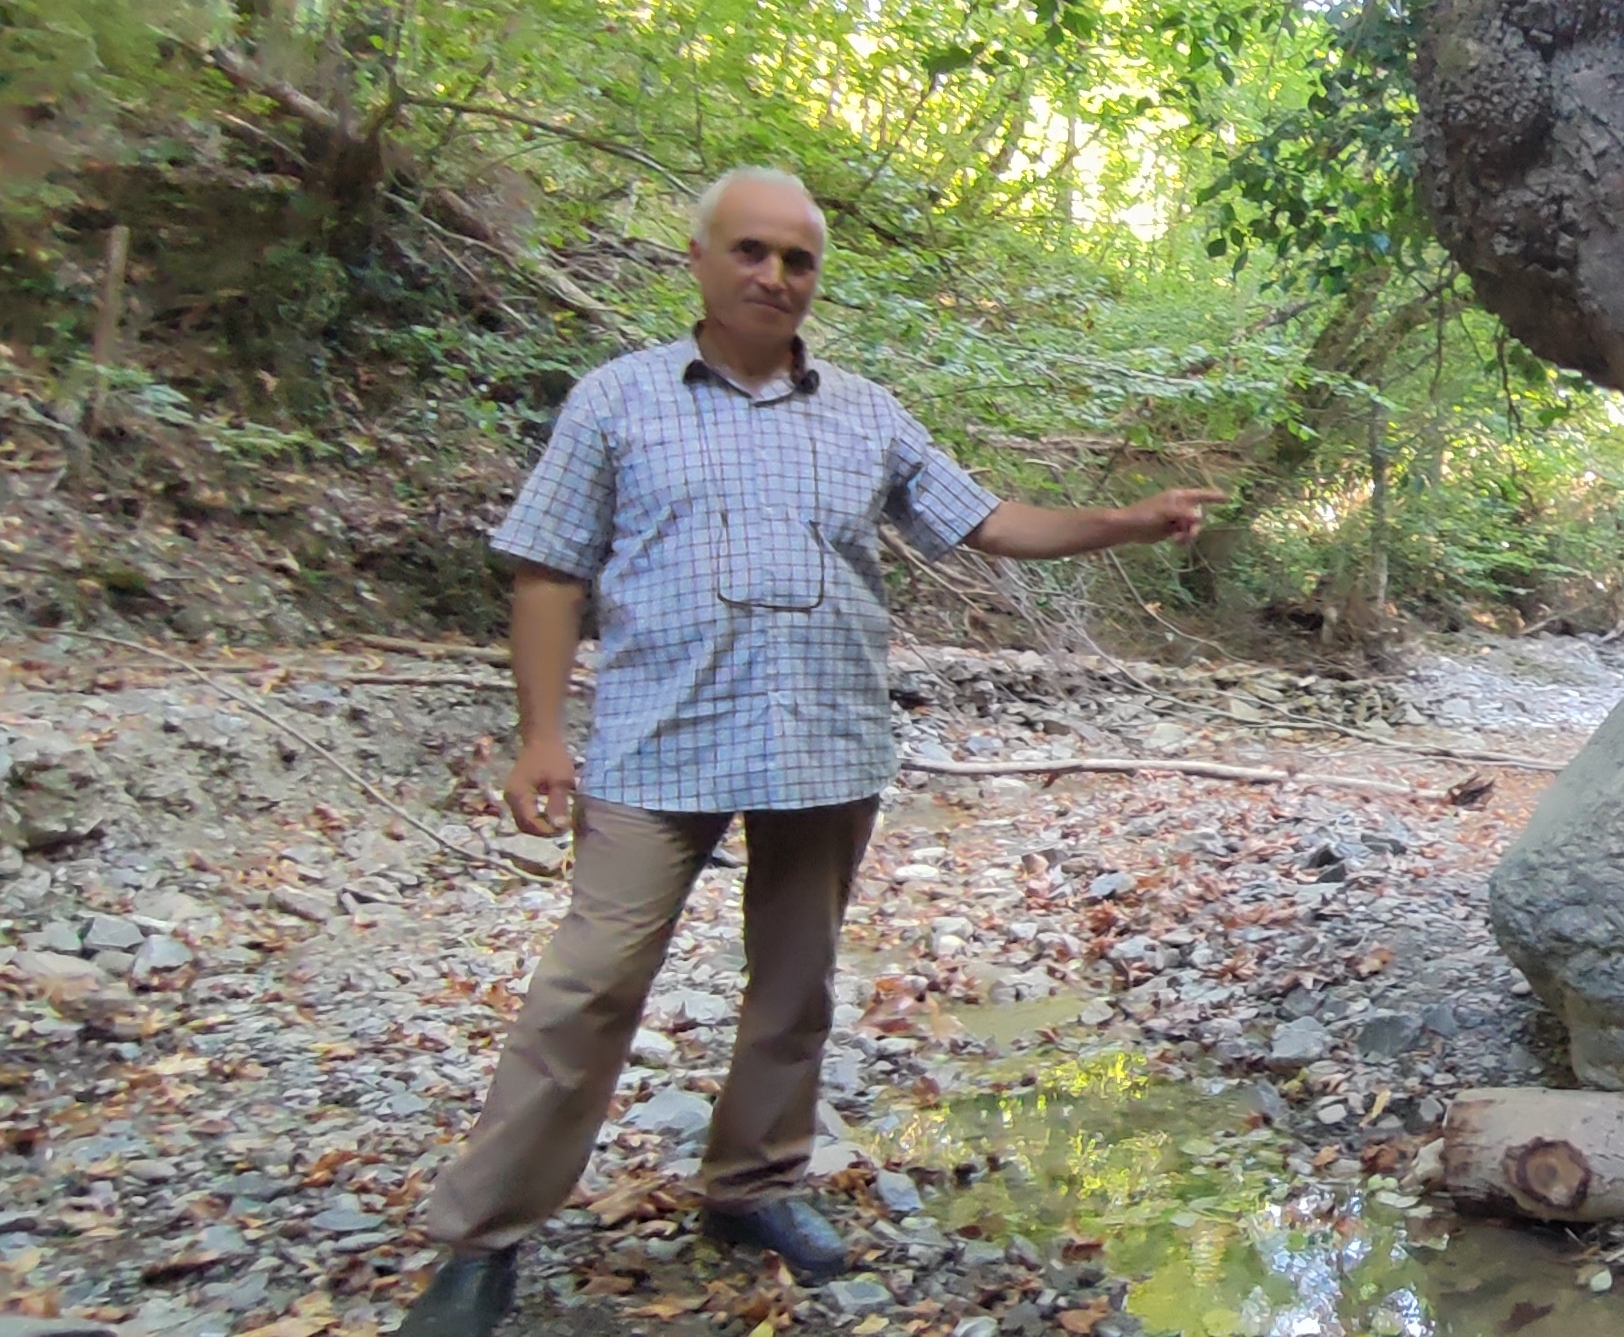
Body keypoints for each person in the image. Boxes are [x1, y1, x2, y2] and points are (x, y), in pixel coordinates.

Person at [396, 167, 1228, 1337]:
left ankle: (752, 1188)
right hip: (656, 742)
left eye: (796, 260)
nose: (773, 277)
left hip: (823, 742)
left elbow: (988, 524)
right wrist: (541, 735)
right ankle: (481, 1242)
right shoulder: (617, 400)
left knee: (794, 987)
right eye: (750, 252)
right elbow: (547, 571)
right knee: (585, 991)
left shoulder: (865, 412)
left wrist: (1128, 521)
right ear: (696, 259)